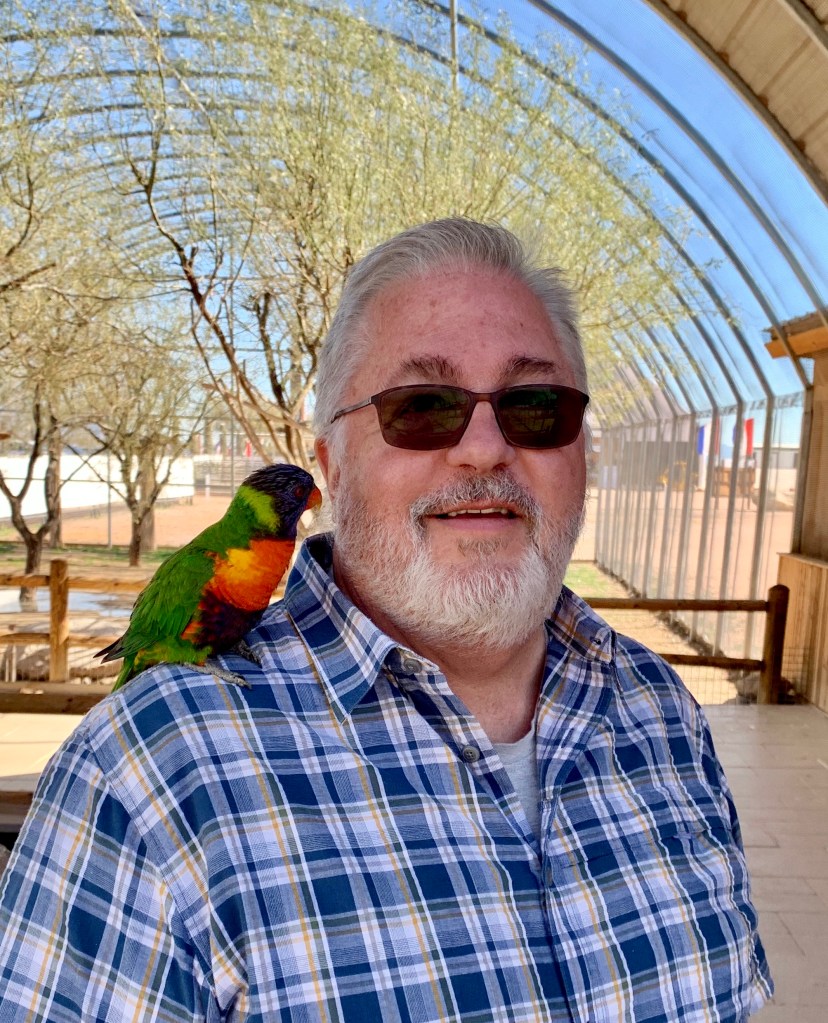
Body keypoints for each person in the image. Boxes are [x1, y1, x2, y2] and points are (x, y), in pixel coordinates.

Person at [0, 218, 771, 1022]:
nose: (483, 450)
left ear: (583, 454)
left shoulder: (664, 715)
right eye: (423, 405)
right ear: (330, 466)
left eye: (535, 406)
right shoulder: (144, 779)